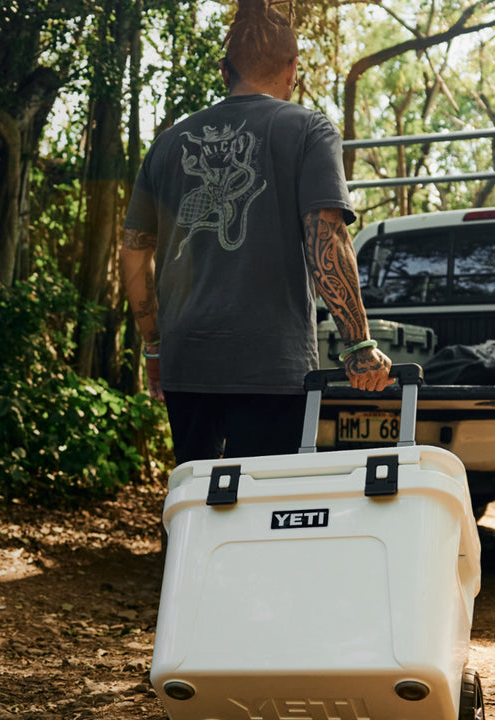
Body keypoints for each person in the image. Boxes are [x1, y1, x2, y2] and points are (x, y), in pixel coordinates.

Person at [119, 0, 391, 465]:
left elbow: (133, 254)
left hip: (188, 361)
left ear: (224, 71)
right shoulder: (308, 130)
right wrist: (359, 344)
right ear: (292, 68)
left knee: (195, 496)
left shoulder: (167, 143)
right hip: (273, 365)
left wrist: (154, 346)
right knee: (265, 500)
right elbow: (326, 238)